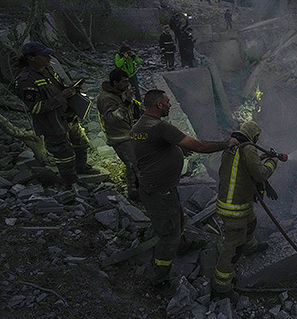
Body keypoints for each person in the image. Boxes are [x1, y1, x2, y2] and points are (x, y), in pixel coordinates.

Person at [129, 89, 238, 287]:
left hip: (156, 187)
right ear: (159, 105)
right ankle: (160, 276)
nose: (170, 105)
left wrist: (175, 149)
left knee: (177, 217)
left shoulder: (140, 126)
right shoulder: (161, 127)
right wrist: (226, 144)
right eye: (167, 102)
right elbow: (198, 146)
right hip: (160, 190)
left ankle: (182, 245)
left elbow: (152, 148)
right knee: (168, 236)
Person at [14, 41, 98, 187]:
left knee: (80, 142)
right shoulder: (26, 80)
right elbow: (35, 108)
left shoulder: (48, 69)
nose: (48, 58)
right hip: (51, 122)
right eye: (44, 55)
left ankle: (81, 167)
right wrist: (62, 97)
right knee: (63, 153)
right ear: (31, 58)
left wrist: (71, 90)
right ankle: (71, 182)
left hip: (67, 116)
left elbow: (59, 87)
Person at [213, 120, 278, 296]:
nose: (258, 139)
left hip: (235, 201)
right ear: (254, 135)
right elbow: (260, 173)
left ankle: (250, 247)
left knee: (252, 221)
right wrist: (272, 162)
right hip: (234, 207)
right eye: (257, 136)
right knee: (233, 246)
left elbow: (243, 168)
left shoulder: (232, 146)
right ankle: (221, 286)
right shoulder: (248, 148)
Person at [97, 68, 142, 200]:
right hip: (119, 137)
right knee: (133, 164)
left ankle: (139, 189)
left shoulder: (119, 92)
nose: (127, 84)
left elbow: (131, 107)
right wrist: (126, 102)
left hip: (128, 133)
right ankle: (134, 193)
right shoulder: (106, 98)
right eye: (124, 82)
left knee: (135, 161)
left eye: (128, 81)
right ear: (115, 82)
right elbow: (112, 119)